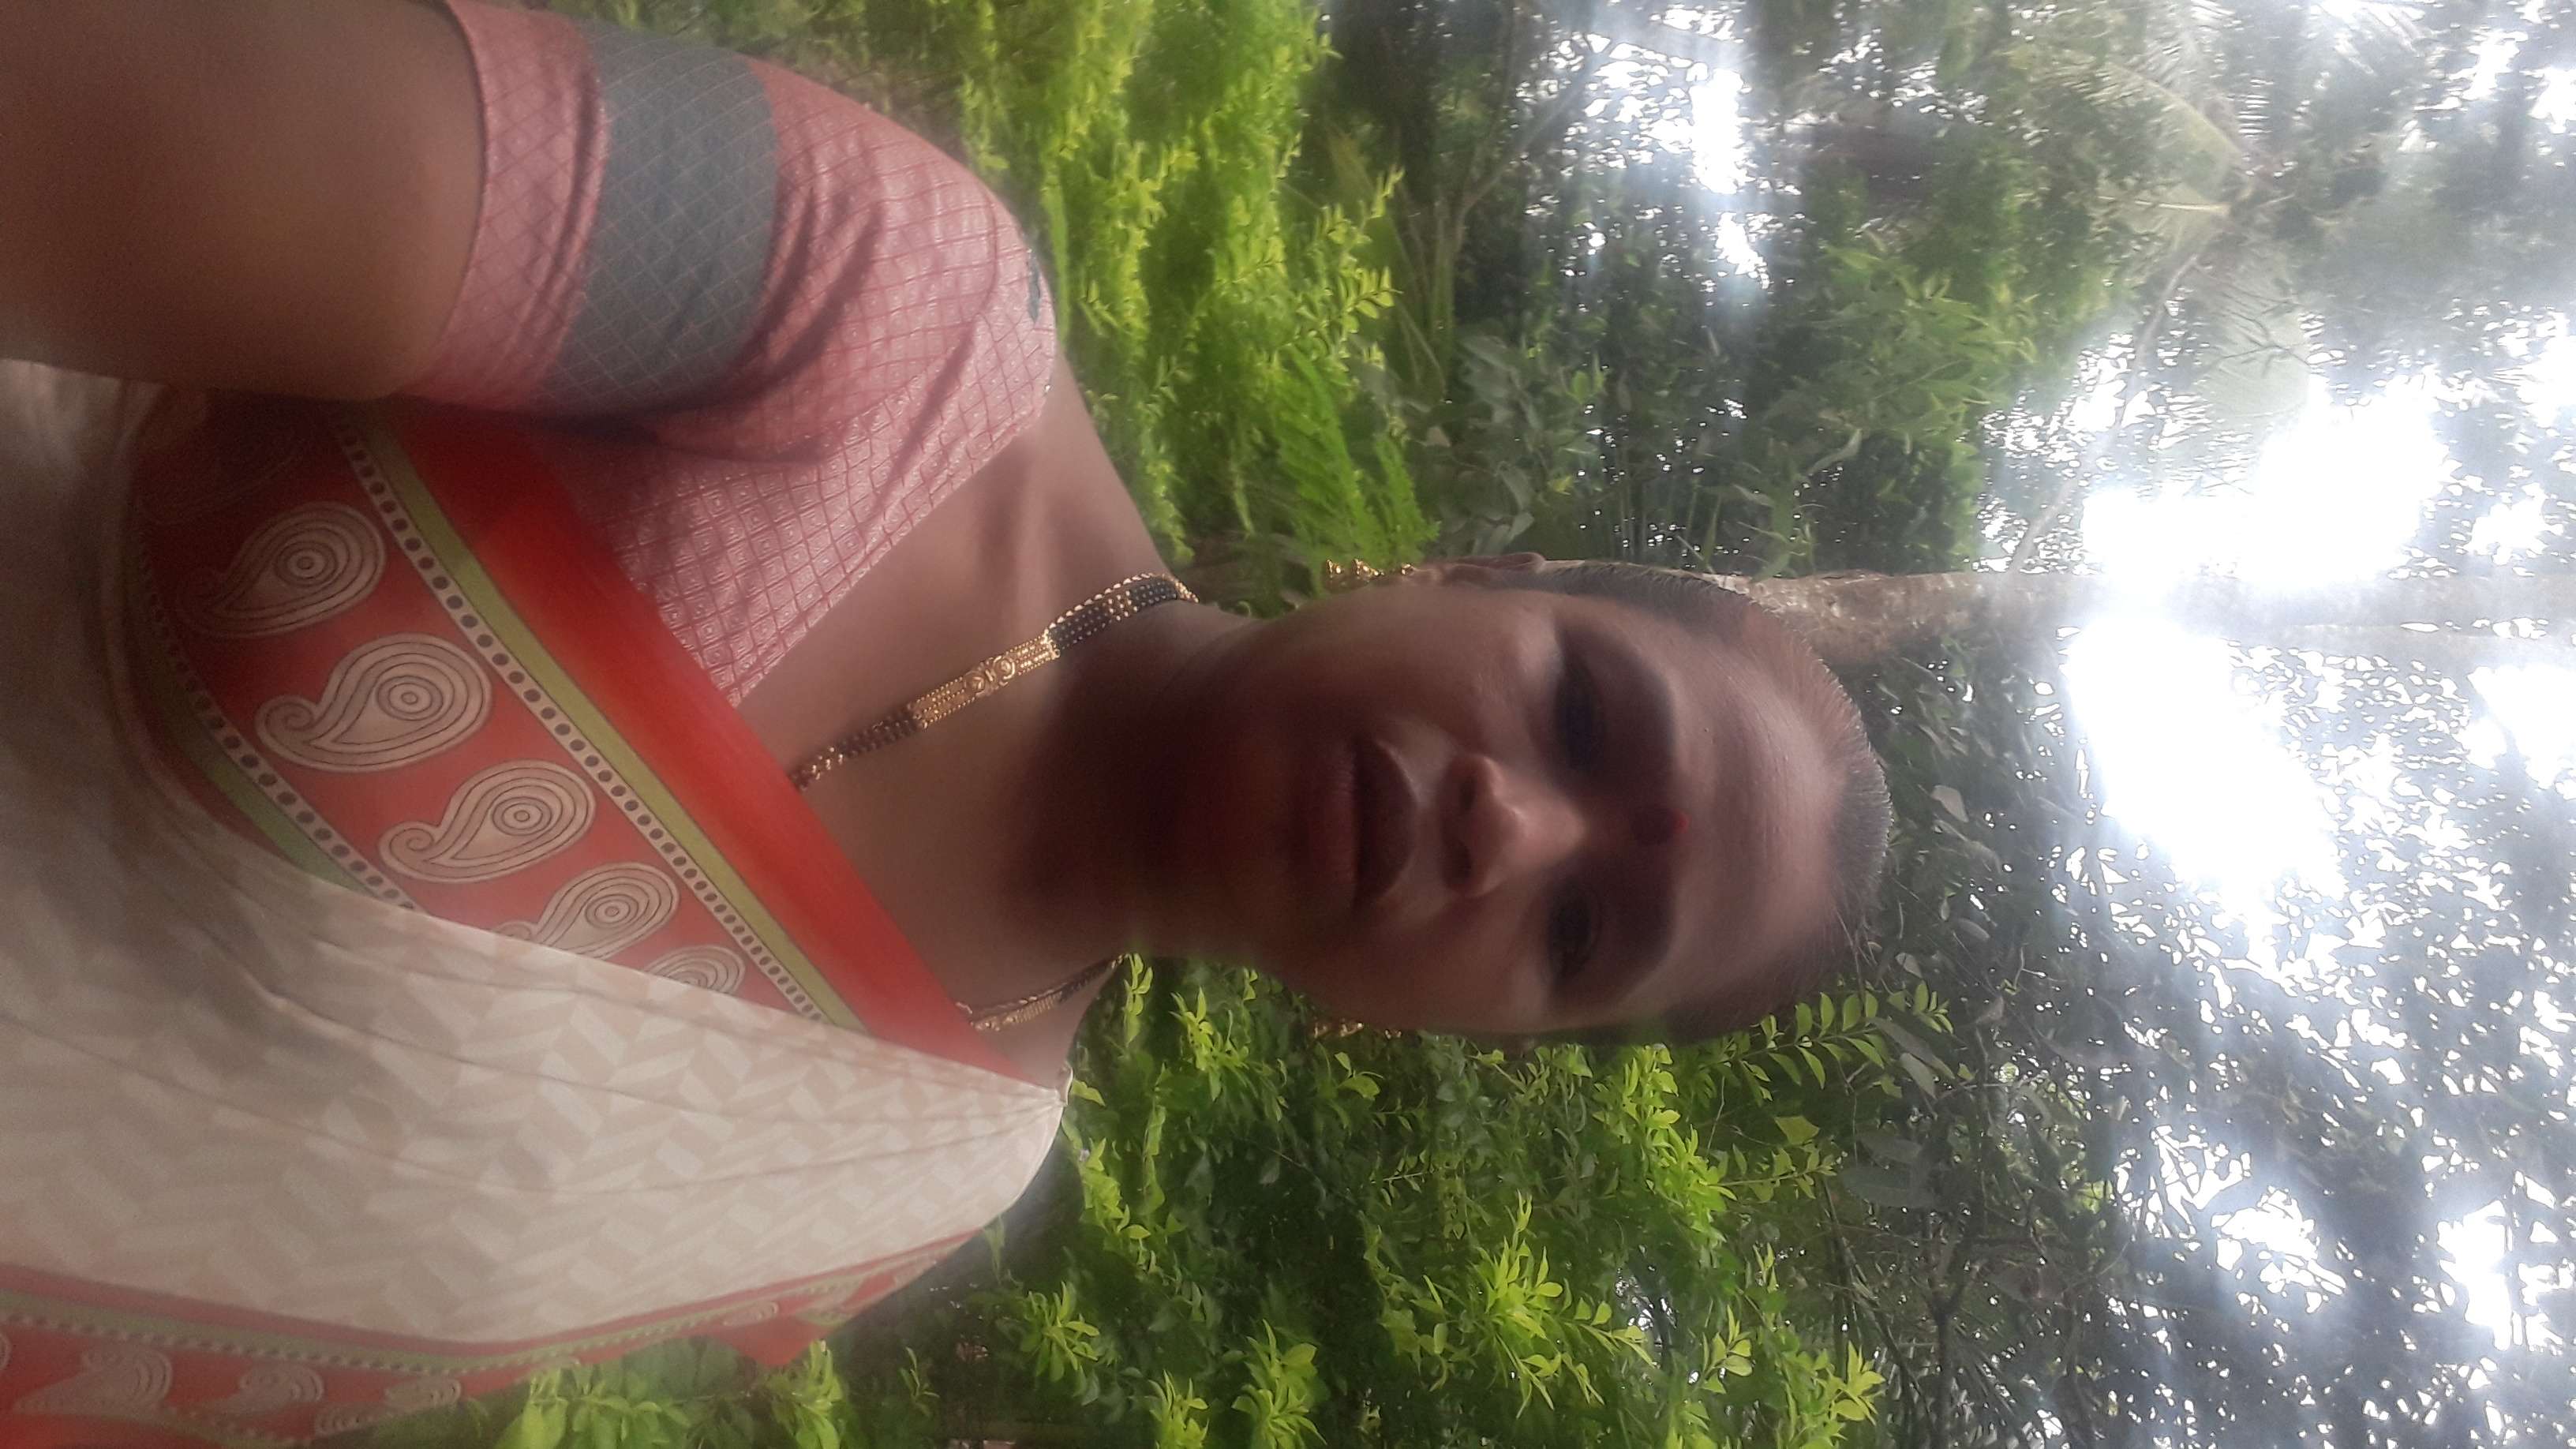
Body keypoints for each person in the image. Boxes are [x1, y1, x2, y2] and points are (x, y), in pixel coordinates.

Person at [0, 1, 1891, 1443]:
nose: (1514, 828)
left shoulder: (930, 1176)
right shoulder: (881, 319)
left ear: (1468, 1031)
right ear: (1471, 575)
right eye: (1582, 714)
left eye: (1583, 934)